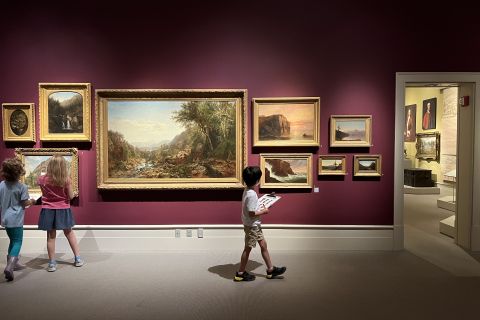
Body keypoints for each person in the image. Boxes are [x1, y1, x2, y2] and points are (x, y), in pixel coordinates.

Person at [234, 166, 286, 281]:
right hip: (252, 226)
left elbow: (251, 207)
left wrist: (266, 201)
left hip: (252, 225)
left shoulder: (247, 190)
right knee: (247, 249)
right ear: (257, 180)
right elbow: (252, 213)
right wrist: (264, 211)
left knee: (263, 245)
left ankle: (270, 270)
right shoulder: (252, 194)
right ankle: (240, 273)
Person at [37, 155, 84, 272]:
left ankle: (52, 263)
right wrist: (74, 193)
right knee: (69, 233)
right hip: (63, 209)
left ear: (50, 165)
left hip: (48, 209)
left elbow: (44, 194)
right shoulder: (66, 179)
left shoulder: (41, 179)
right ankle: (77, 259)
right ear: (63, 166)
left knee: (50, 237)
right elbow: (71, 196)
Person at [0, 158, 36, 281]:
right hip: (16, 219)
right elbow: (25, 202)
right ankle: (9, 266)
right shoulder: (22, 187)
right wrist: (32, 201)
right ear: (19, 172)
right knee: (17, 242)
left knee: (12, 241)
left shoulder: (1, 185)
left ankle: (13, 264)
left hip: (5, 218)